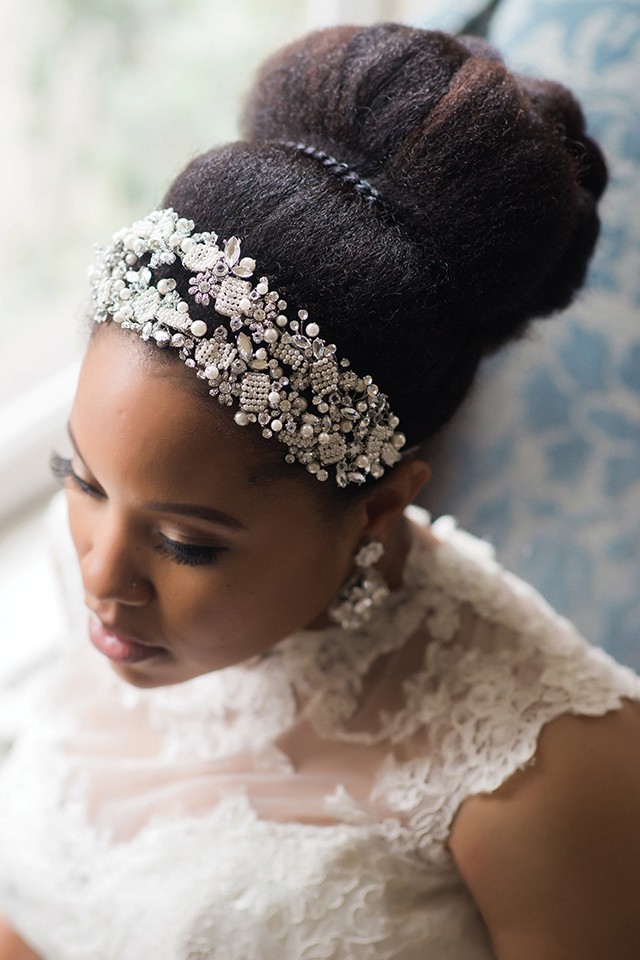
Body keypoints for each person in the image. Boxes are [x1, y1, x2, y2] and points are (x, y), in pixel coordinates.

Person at [1, 22, 639, 960]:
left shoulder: (548, 769)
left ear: (377, 508)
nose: (102, 576)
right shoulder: (101, 596)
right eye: (81, 480)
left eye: (188, 543)